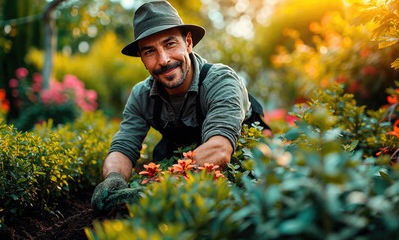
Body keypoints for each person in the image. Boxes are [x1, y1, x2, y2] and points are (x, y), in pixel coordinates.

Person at [91, 0, 270, 212]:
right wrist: (113, 178)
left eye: (170, 44)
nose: (164, 60)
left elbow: (220, 149)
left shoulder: (221, 81)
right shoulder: (141, 96)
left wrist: (159, 188)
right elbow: (123, 147)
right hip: (186, 164)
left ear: (188, 43)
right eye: (150, 52)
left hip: (243, 162)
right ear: (141, 58)